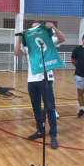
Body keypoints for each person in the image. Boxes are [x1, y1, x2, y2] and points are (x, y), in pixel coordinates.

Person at [14, 20, 65, 149]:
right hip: (32, 79)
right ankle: (40, 130)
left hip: (46, 78)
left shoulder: (49, 39)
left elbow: (62, 39)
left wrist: (53, 27)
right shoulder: (29, 44)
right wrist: (20, 38)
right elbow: (16, 52)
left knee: (49, 108)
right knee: (36, 107)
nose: (34, 29)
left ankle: (53, 135)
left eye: (37, 27)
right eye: (32, 28)